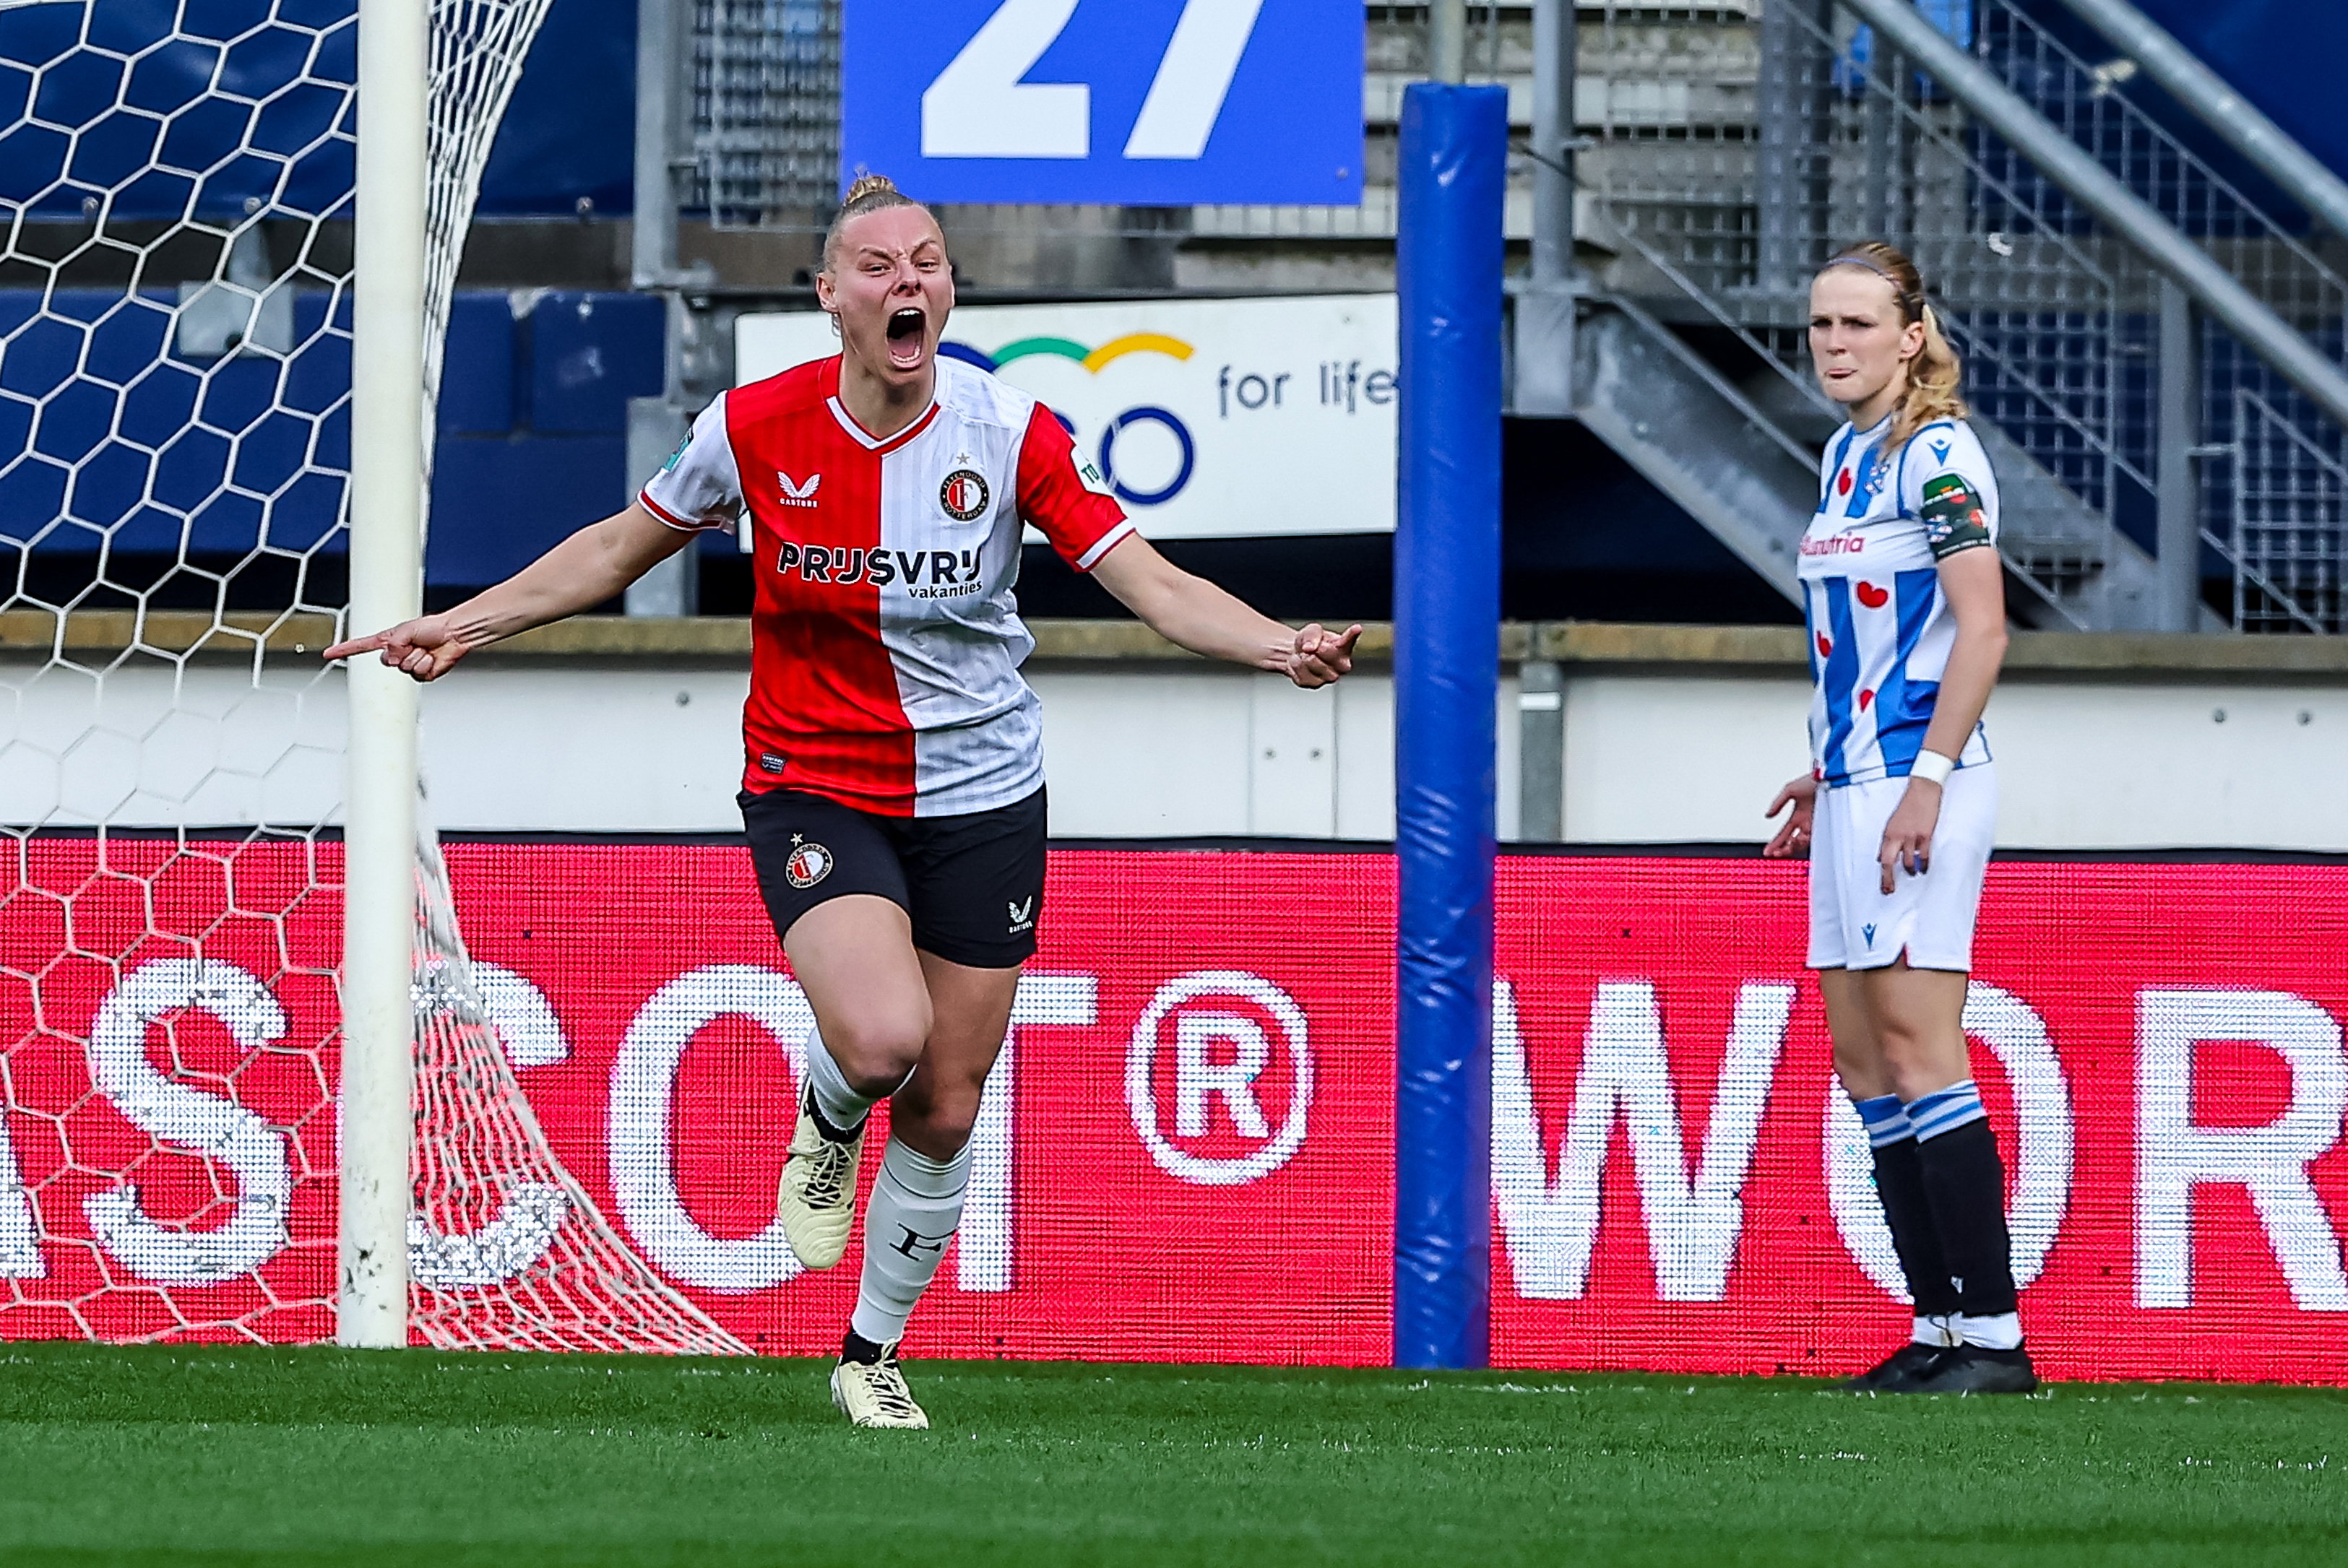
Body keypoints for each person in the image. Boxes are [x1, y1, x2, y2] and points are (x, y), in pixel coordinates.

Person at [327, 173, 1362, 1427]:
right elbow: (615, 548)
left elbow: (1145, 576)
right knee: (881, 1043)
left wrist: (1273, 644)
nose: (907, 282)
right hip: (813, 779)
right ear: (830, 297)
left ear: (950, 290)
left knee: (944, 1099)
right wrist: (465, 625)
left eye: (926, 261)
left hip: (984, 790)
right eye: (876, 266)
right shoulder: (754, 427)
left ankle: (867, 1354)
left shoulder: (1010, 432)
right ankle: (825, 1110)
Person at [1762, 241, 2034, 1395]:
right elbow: (1866, 644)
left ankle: (1997, 1339)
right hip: (1856, 783)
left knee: (1922, 1050)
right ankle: (1938, 1326)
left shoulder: (1936, 453)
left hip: (1922, 786)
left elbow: (1982, 629)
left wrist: (1921, 778)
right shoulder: (1841, 453)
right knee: (1861, 1059)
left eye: (1857, 326)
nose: (1834, 344)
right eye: (1821, 325)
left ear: (1910, 335)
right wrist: (1827, 769)